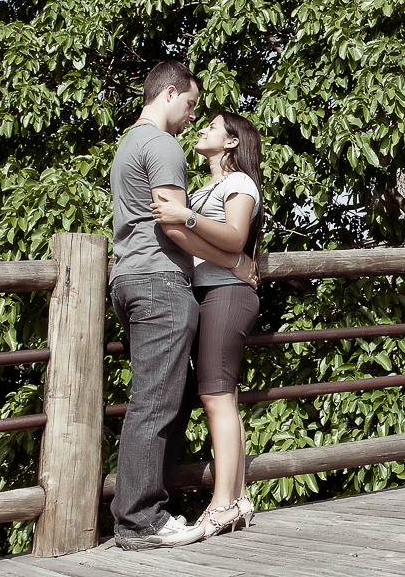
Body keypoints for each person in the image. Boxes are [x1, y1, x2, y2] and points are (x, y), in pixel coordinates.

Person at [109, 61, 256, 551]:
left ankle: (144, 514)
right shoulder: (163, 145)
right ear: (169, 93)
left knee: (155, 398)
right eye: (191, 104)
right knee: (157, 402)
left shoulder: (128, 142)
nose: (193, 115)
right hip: (158, 283)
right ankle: (141, 520)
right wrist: (235, 263)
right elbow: (174, 226)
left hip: (128, 279)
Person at [150, 111, 263, 539]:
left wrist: (185, 216)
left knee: (215, 397)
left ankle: (221, 506)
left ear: (232, 143)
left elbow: (234, 236)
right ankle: (238, 498)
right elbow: (220, 249)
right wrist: (234, 260)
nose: (202, 129)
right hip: (210, 293)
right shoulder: (204, 189)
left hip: (226, 297)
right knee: (225, 397)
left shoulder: (239, 184)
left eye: (213, 126)